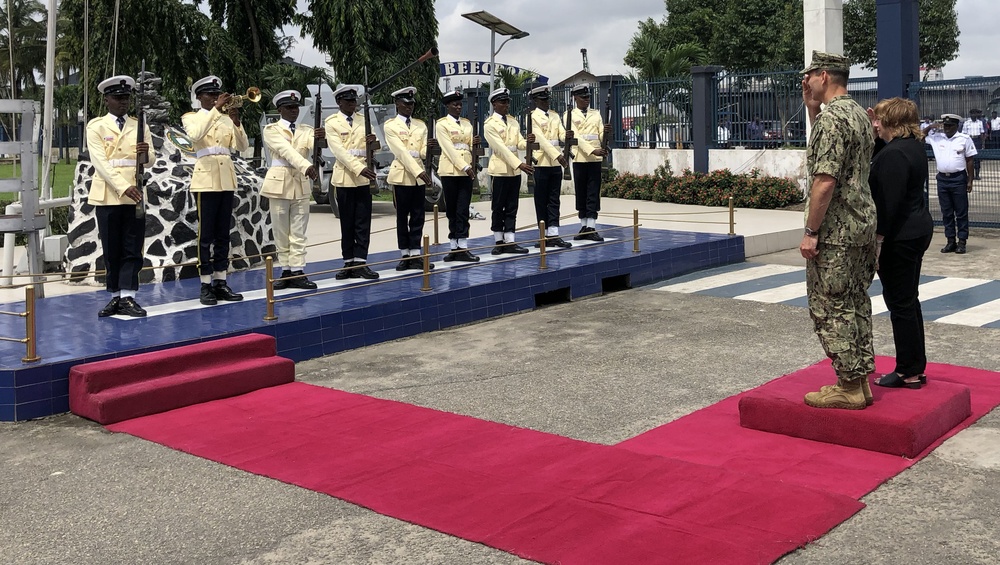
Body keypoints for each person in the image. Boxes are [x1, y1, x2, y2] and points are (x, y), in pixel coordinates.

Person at [798, 51, 877, 410]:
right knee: (856, 301)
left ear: (824, 75)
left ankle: (849, 384)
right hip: (861, 223)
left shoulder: (834, 120)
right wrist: (811, 109)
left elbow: (825, 180)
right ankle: (859, 381)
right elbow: (833, 151)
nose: (806, 82)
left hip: (836, 230)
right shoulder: (859, 113)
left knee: (830, 305)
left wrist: (811, 230)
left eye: (809, 76)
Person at [868, 98, 934, 390]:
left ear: (892, 122)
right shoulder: (912, 147)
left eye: (879, 119)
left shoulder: (895, 154)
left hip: (900, 236)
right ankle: (915, 367)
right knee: (908, 300)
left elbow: (888, 203)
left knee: (900, 304)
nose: (875, 124)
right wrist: (875, 136)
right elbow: (882, 153)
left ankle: (908, 370)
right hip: (916, 230)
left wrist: (878, 242)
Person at [86, 75, 152, 318]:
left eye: (126, 98)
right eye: (117, 98)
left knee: (132, 247)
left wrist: (145, 154)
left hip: (134, 193)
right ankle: (115, 296)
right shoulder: (96, 126)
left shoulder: (139, 124)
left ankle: (129, 297)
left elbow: (151, 159)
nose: (123, 102)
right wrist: (123, 186)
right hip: (109, 193)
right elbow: (100, 163)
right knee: (111, 248)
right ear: (107, 100)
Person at [181, 75, 249, 306]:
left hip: (226, 179)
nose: (214, 98)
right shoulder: (192, 117)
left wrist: (236, 122)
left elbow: (242, 147)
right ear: (199, 97)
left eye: (216, 95)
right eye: (209, 95)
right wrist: (215, 110)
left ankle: (221, 280)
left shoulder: (224, 119)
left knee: (223, 234)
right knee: (205, 235)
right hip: (206, 179)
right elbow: (195, 135)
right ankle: (205, 282)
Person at [260, 90, 321, 290]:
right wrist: (306, 166)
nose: (294, 111)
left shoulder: (306, 129)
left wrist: (322, 138)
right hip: (280, 183)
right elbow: (286, 151)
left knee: (299, 232)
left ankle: (298, 271)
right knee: (281, 231)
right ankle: (285, 269)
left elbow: (318, 147)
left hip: (300, 184)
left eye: (296, 107)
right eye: (289, 108)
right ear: (280, 110)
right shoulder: (271, 130)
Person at [325, 84, 379, 280]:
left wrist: (374, 143)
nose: (352, 105)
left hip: (364, 178)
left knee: (362, 223)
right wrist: (359, 168)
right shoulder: (331, 123)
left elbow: (375, 148)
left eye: (354, 101)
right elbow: (339, 151)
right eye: (348, 101)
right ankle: (348, 262)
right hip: (346, 177)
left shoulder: (364, 121)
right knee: (347, 223)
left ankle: (361, 261)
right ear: (339, 102)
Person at [384, 86, 435, 271]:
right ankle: (404, 254)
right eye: (406, 104)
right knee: (402, 217)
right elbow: (401, 152)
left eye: (411, 104)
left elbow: (420, 152)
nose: (409, 107)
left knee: (418, 216)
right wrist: (419, 171)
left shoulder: (420, 125)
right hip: (402, 175)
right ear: (397, 104)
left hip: (418, 177)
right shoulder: (390, 126)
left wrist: (428, 148)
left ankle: (415, 253)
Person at [483, 88, 533, 254]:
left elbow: (518, 143)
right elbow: (502, 149)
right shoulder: (490, 125)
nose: (506, 105)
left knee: (512, 206)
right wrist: (520, 164)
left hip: (514, 171)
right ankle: (499, 240)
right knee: (498, 206)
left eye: (507, 102)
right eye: (502, 102)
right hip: (501, 170)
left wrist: (528, 142)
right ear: (494, 104)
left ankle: (510, 240)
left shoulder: (513, 121)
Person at [435, 89, 481, 262]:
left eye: (460, 104)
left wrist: (473, 143)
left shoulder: (467, 124)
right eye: (454, 104)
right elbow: (449, 149)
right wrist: (465, 167)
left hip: (467, 169)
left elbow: (468, 145)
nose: (458, 107)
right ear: (447, 106)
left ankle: (462, 245)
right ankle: (453, 245)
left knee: (463, 208)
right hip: (451, 171)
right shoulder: (442, 125)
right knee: (452, 210)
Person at [923, 114, 976, 254]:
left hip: (958, 179)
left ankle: (962, 242)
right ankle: (950, 241)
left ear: (956, 126)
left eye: (950, 126)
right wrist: (930, 127)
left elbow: (970, 160)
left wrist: (970, 180)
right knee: (946, 212)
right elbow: (919, 136)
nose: (946, 129)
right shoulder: (936, 138)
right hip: (942, 179)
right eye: (945, 126)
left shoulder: (964, 139)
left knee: (961, 212)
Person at [528, 85, 572, 249]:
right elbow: (542, 141)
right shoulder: (532, 117)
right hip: (541, 163)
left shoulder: (554, 115)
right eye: (542, 100)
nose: (546, 102)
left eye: (547, 100)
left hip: (554, 164)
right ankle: (543, 234)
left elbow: (560, 133)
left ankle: (553, 233)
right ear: (535, 101)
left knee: (554, 200)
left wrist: (566, 134)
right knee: (541, 201)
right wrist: (558, 155)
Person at [566, 84, 611, 242]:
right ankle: (584, 225)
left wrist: (605, 133)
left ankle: (591, 226)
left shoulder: (596, 114)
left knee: (593, 192)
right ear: (575, 98)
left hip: (595, 159)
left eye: (588, 98)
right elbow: (576, 137)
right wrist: (592, 150)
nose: (586, 100)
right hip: (580, 157)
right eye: (583, 98)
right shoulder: (569, 115)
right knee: (581, 192)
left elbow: (599, 133)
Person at [961, 109, 986, 180]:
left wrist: (982, 143)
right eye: (972, 114)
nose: (974, 115)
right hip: (969, 139)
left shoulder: (980, 122)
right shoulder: (966, 123)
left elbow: (982, 133)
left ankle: (977, 174)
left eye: (975, 114)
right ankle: (970, 175)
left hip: (977, 140)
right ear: (970, 114)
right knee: (969, 157)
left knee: (977, 158)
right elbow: (964, 133)